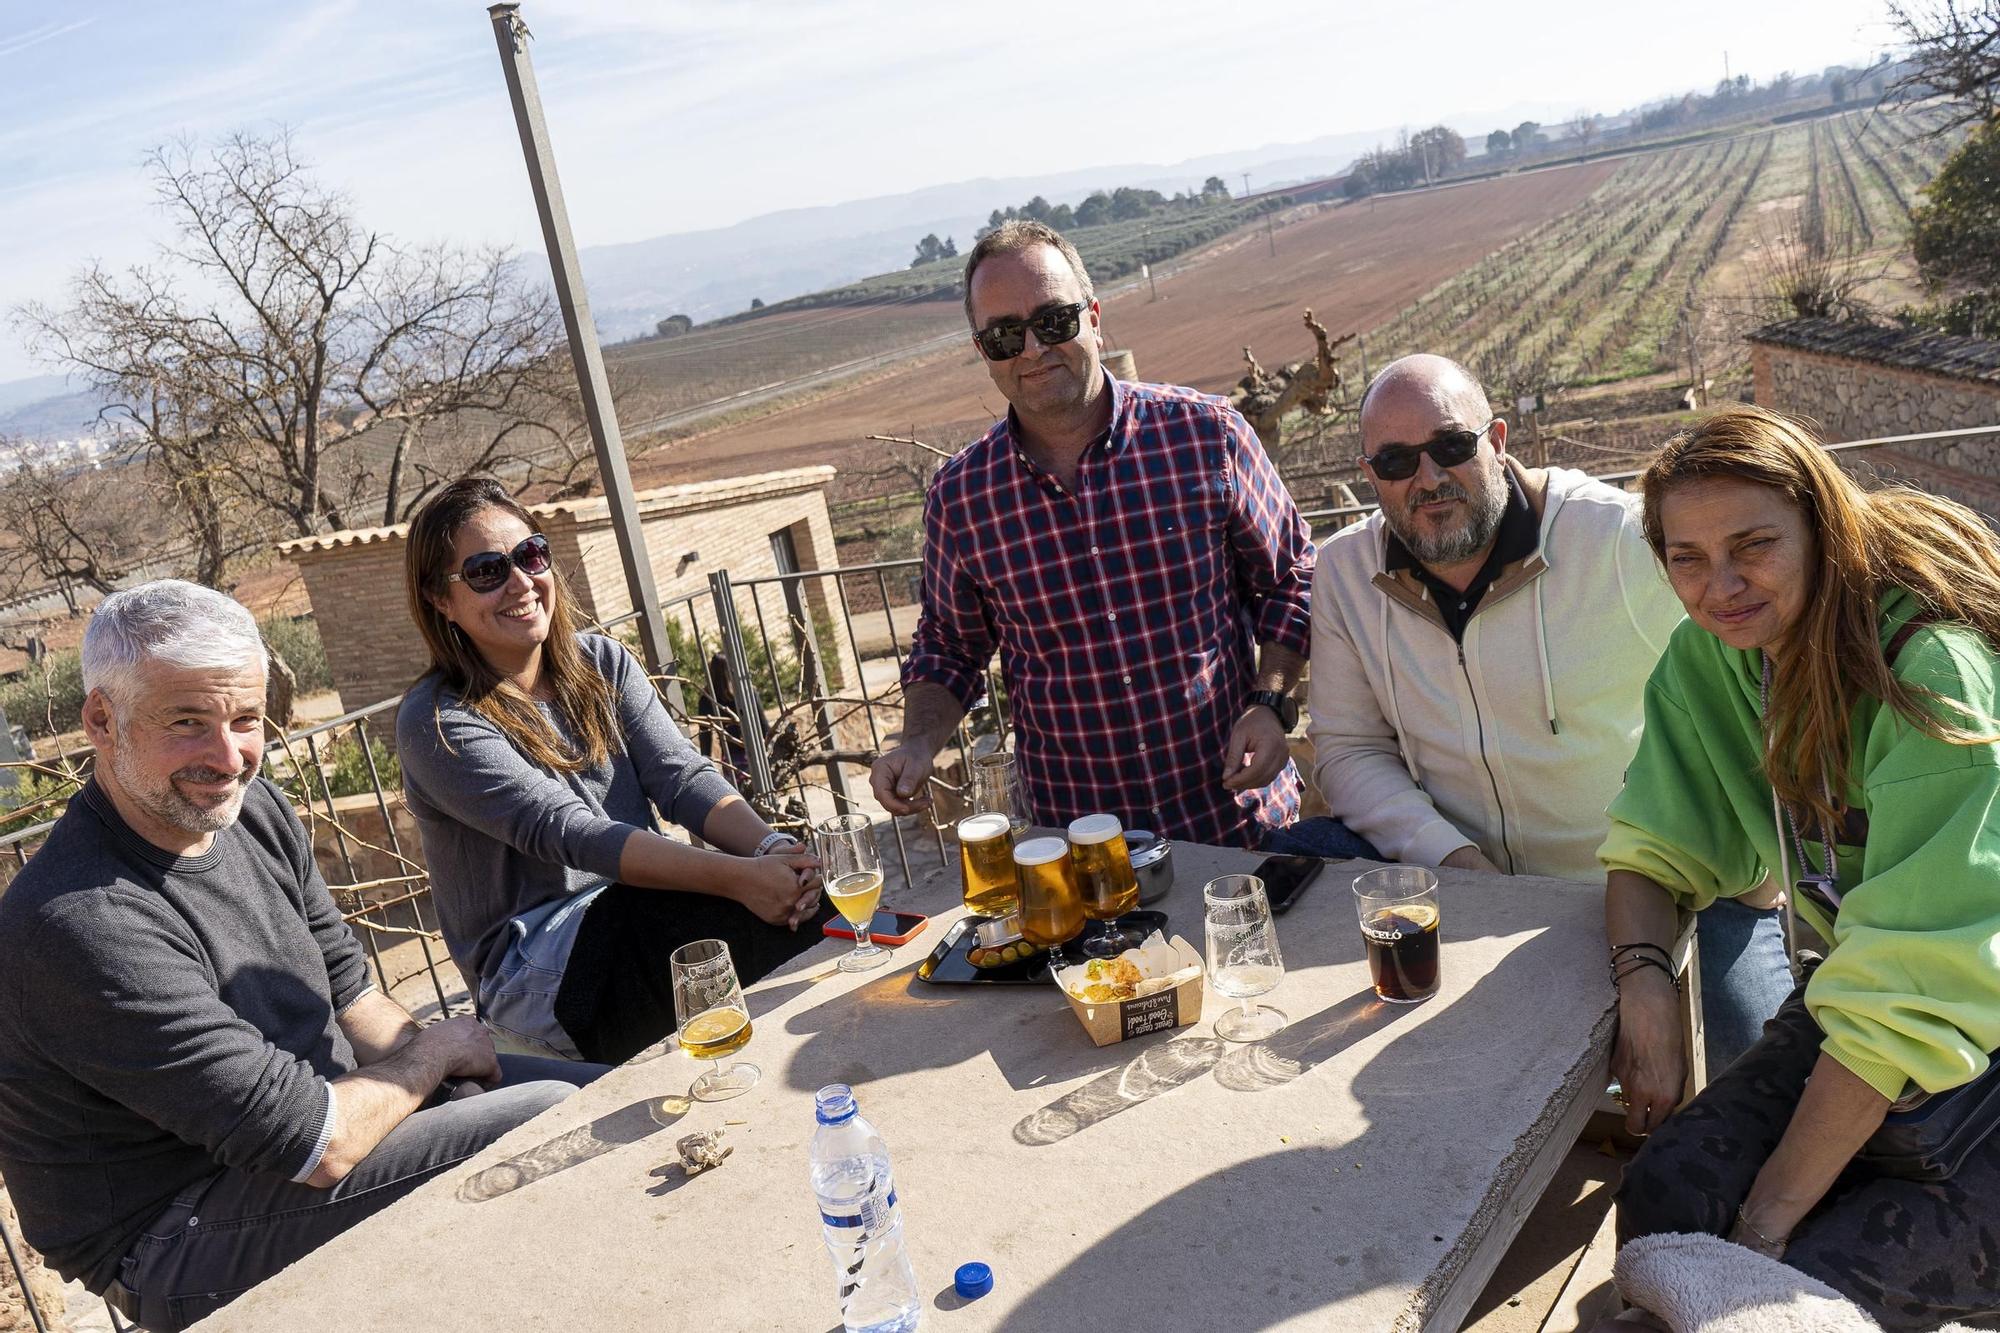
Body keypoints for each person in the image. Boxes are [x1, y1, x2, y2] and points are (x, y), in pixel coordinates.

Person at [0, 581, 601, 1333]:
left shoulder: (255, 812)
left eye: (246, 720)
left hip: (315, 1122)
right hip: (174, 1231)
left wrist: (450, 1069)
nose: (228, 756)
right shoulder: (79, 921)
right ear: (100, 719)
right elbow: (315, 1142)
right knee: (548, 1123)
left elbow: (352, 994)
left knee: (613, 1097)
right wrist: (435, 1058)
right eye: (187, 722)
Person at [1602, 406, 2000, 1329]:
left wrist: (1767, 1219)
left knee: (1802, 1286)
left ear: (1823, 525)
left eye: (1754, 545)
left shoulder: (1930, 670)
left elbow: (1914, 982)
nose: (1720, 584)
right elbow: (1650, 849)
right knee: (1663, 1202)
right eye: (1686, 557)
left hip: (1959, 1010)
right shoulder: (1714, 660)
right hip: (1862, 1011)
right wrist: (1649, 986)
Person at [1295, 354, 1791, 1072]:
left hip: (1672, 891)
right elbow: (1346, 749)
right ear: (1371, 475)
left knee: (1762, 1082)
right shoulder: (1344, 573)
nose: (1427, 478)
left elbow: (1761, 670)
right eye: (1397, 460)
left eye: (1452, 447)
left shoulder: (1619, 540)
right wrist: (1458, 862)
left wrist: (1751, 860)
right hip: (1468, 889)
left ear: (1496, 440)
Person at [870, 220, 1315, 848]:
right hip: (1081, 853)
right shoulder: (962, 499)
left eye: (1053, 321)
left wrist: (1270, 703)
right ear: (983, 352)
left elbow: (1290, 577)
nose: (1031, 350)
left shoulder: (1206, 436)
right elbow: (950, 645)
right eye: (1004, 337)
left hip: (1236, 825)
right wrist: (917, 741)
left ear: (1095, 316)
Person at [397, 477, 829, 1067]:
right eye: (486, 572)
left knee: (810, 906)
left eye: (531, 555)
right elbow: (570, 832)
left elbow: (679, 777)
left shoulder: (601, 662)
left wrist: (773, 852)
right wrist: (738, 879)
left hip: (636, 911)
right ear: (440, 599)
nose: (522, 583)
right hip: (539, 970)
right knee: (710, 918)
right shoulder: (438, 721)